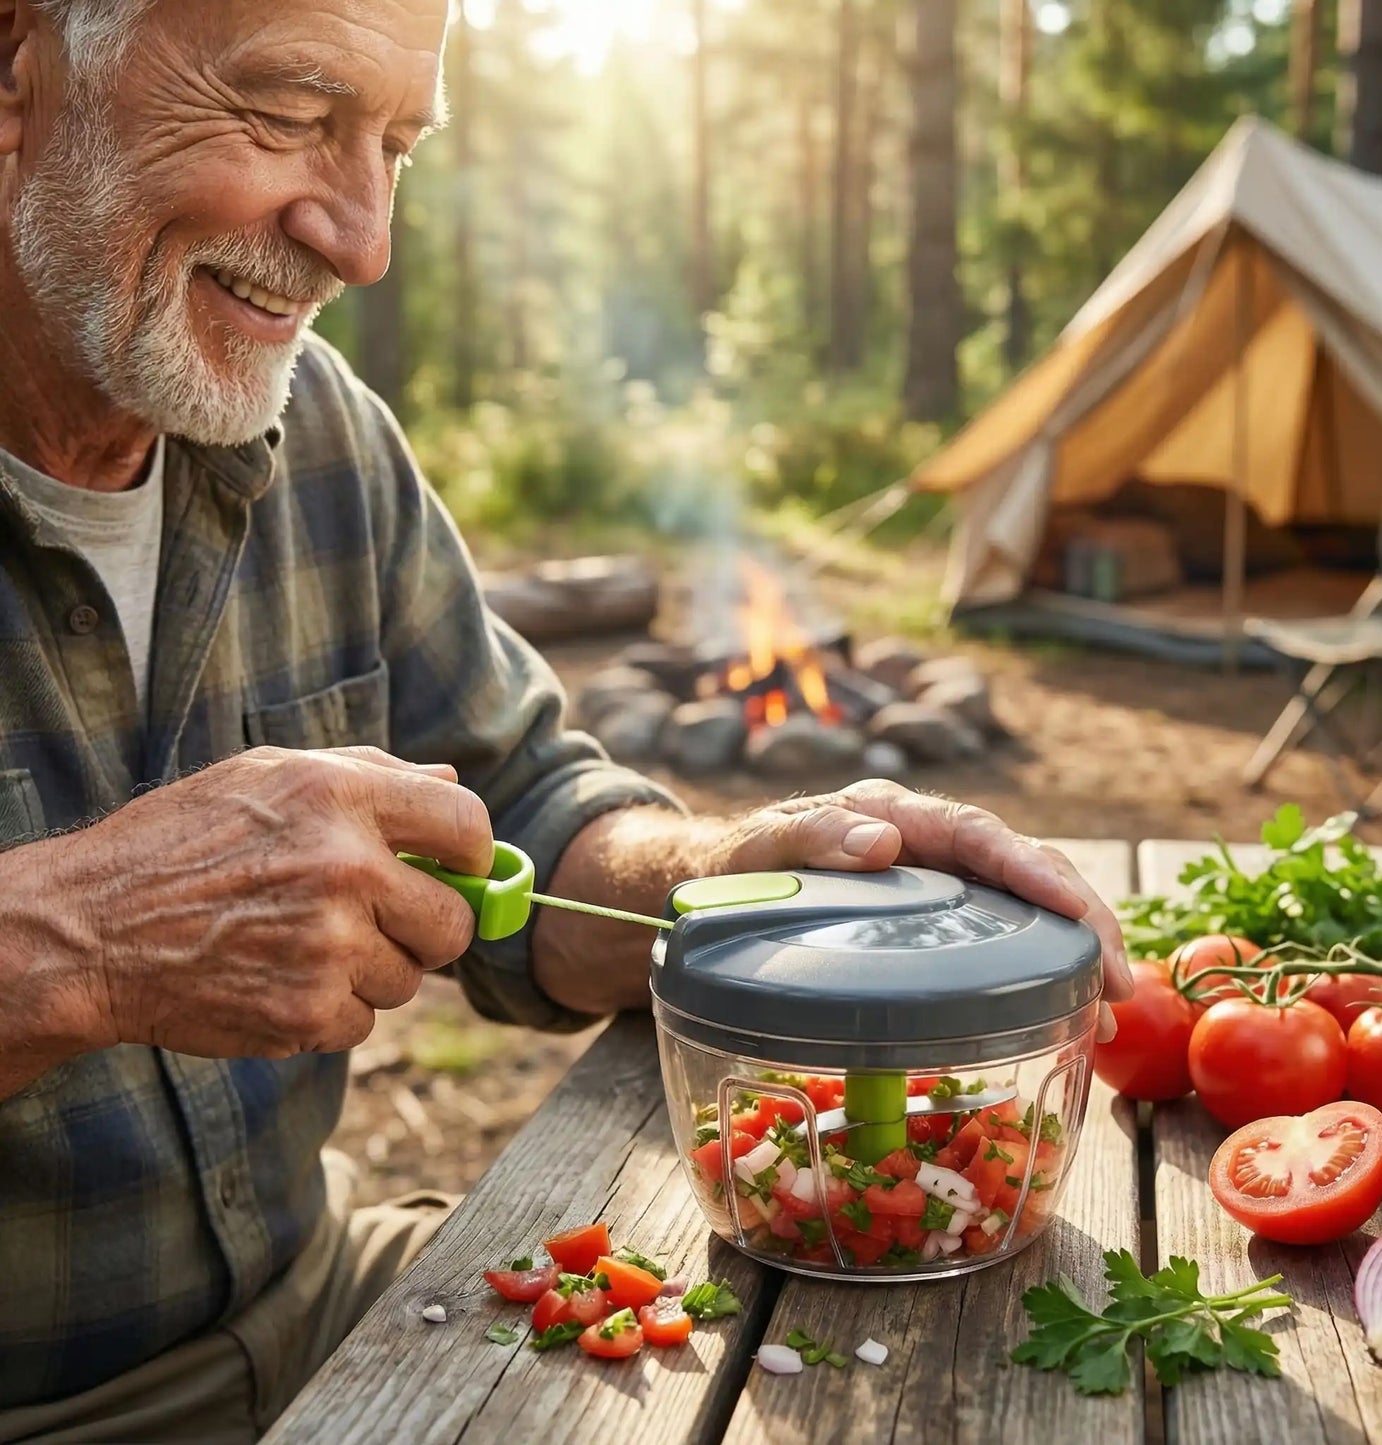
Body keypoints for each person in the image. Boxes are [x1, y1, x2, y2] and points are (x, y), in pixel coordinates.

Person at [0, 1, 1131, 1440]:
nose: (361, 240)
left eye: (396, 147)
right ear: (16, 65)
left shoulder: (323, 430)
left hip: (332, 1292)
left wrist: (741, 869)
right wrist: (80, 938)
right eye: (288, 113)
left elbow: (529, 816)